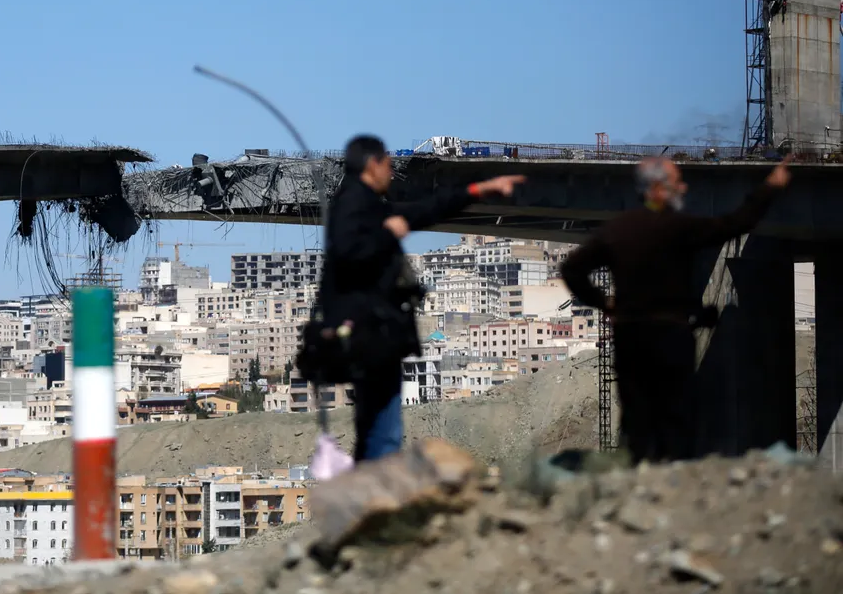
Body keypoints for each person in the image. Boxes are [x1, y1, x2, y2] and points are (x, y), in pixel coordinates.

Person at [561, 155, 792, 465]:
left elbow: (572, 269)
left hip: (630, 337)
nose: (683, 188)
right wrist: (770, 187)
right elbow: (736, 223)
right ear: (658, 188)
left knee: (636, 417)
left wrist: (604, 303)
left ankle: (637, 477)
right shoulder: (679, 227)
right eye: (676, 182)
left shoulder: (618, 229)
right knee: (676, 416)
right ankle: (672, 476)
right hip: (671, 335)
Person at [317, 134, 525, 462]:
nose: (391, 172)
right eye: (388, 164)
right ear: (372, 164)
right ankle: (379, 490)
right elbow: (346, 253)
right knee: (383, 433)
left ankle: (372, 487)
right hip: (370, 335)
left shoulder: (367, 204)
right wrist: (387, 234)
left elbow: (421, 211)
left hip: (372, 333)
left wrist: (477, 190)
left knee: (377, 430)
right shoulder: (354, 203)